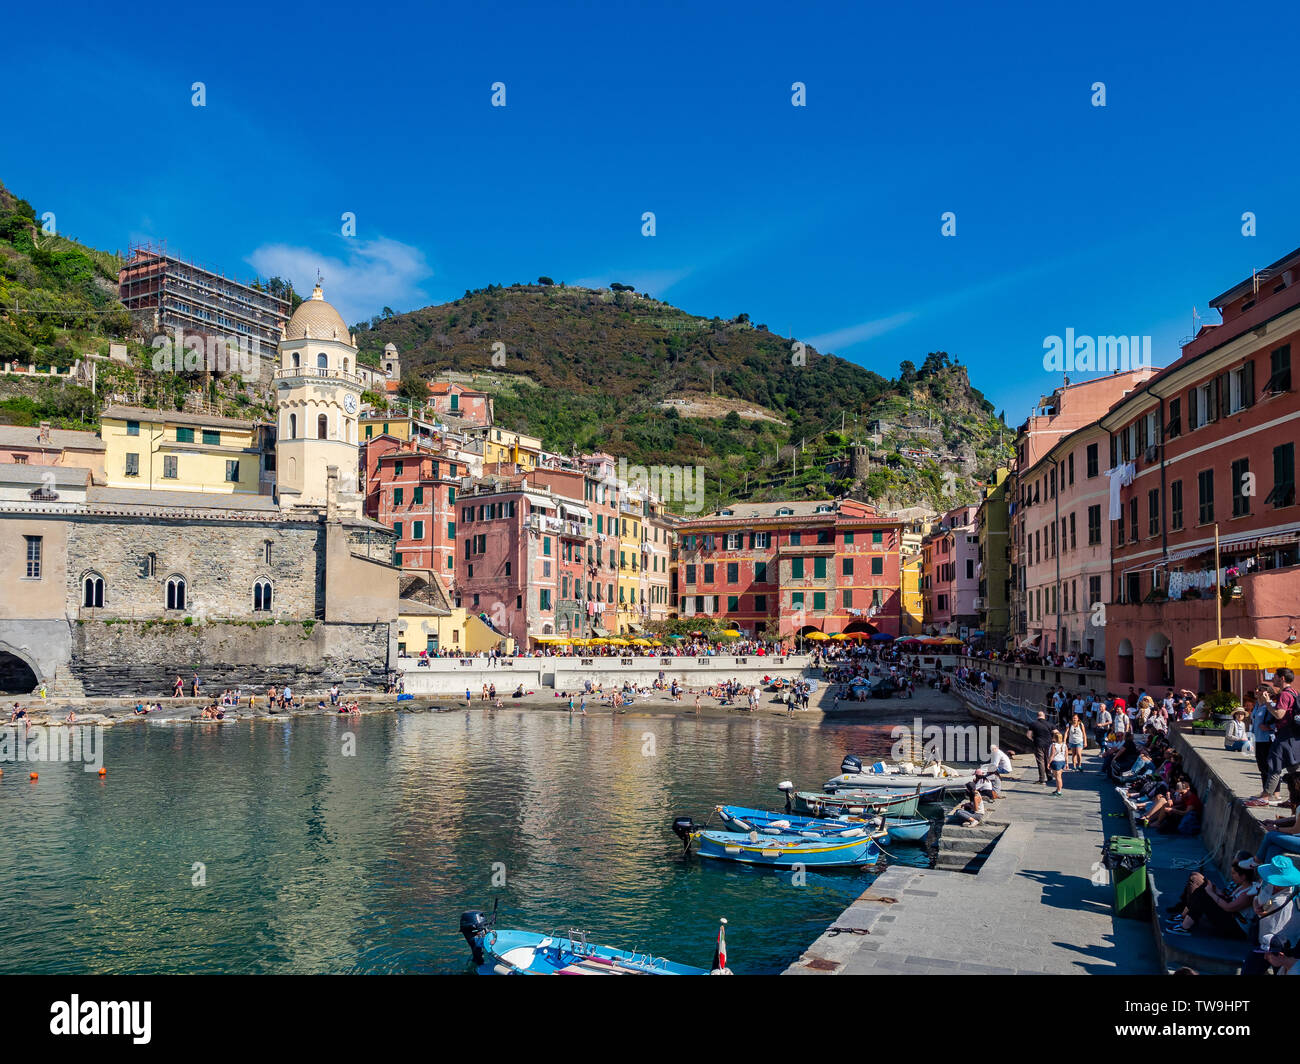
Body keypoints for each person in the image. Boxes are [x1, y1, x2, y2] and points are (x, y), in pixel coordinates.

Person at [1026, 711, 1055, 785]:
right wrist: (1053, 740)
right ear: (1044, 716)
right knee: (1048, 760)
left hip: (1038, 744)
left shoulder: (1033, 724)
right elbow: (1057, 733)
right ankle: (1049, 776)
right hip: (1048, 744)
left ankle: (1042, 779)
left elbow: (1028, 735)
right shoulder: (1050, 724)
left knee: (1040, 761)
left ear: (1037, 716)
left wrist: (1033, 740)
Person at [1047, 730, 1067, 796]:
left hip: (1056, 762)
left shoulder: (1054, 745)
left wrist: (1048, 763)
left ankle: (1059, 791)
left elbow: (1052, 755)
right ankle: (1058, 789)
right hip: (1062, 761)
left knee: (1058, 777)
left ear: (1055, 738)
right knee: (1059, 777)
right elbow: (1066, 755)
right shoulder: (1064, 745)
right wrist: (1066, 763)